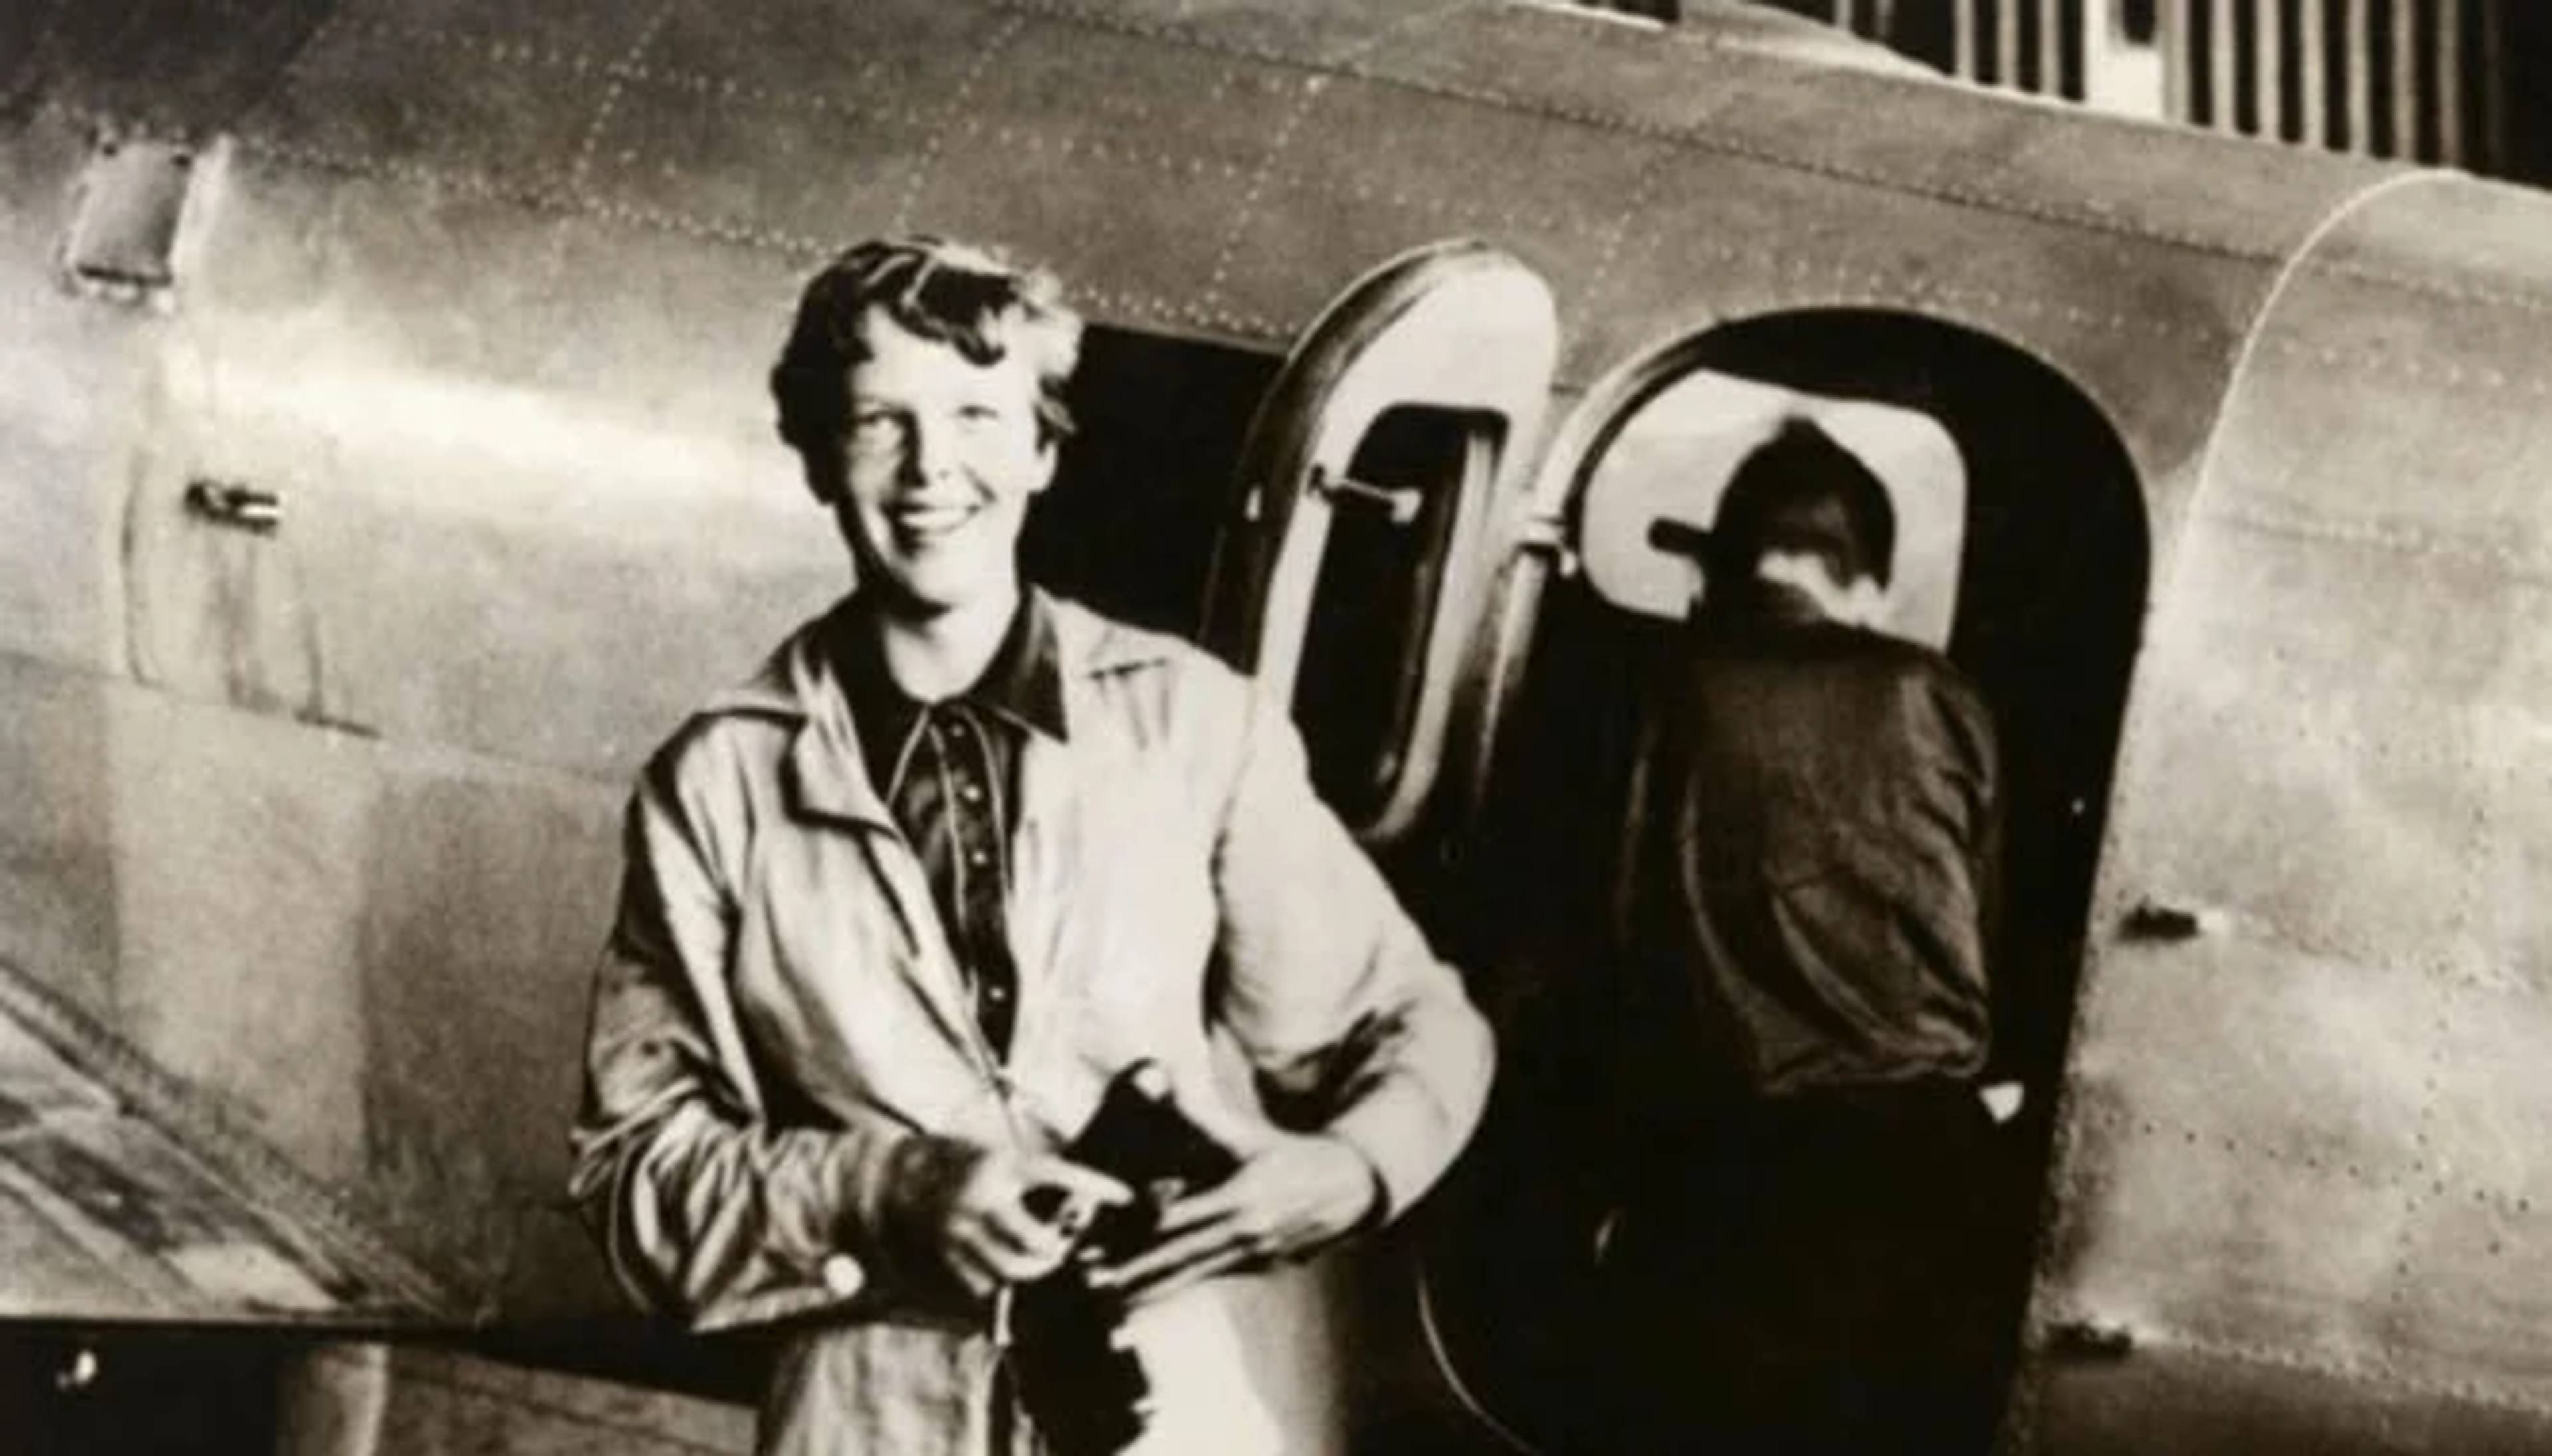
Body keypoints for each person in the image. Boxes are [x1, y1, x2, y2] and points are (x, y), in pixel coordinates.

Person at [568, 235, 1495, 1456]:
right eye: (877, 421)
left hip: (1176, 1409)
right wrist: (893, 1192)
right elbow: (634, 1180)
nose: (931, 468)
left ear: (1046, 450)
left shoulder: (1187, 724)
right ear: (814, 457)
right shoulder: (722, 781)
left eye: (977, 414)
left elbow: (1416, 1021)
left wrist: (1354, 1168)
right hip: (870, 1423)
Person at [1602, 417, 2004, 1454]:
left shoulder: (1662, 696)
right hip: (1918, 1176)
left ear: (1729, 568)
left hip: (1721, 1159)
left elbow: (1614, 934)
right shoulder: (1940, 697)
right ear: (1866, 584)